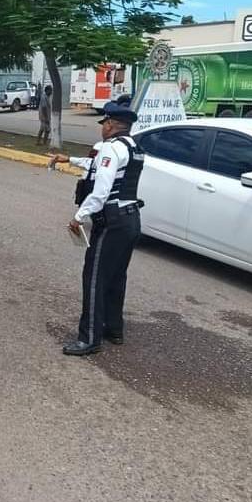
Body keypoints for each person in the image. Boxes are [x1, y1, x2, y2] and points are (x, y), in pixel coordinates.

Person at [48, 101, 144, 356]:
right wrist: (69, 159)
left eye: (104, 124)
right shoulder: (134, 147)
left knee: (94, 279)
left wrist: (78, 217)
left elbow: (101, 191)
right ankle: (113, 329)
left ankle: (89, 338)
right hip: (131, 220)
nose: (102, 129)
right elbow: (96, 166)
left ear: (111, 124)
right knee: (116, 277)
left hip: (111, 222)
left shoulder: (110, 149)